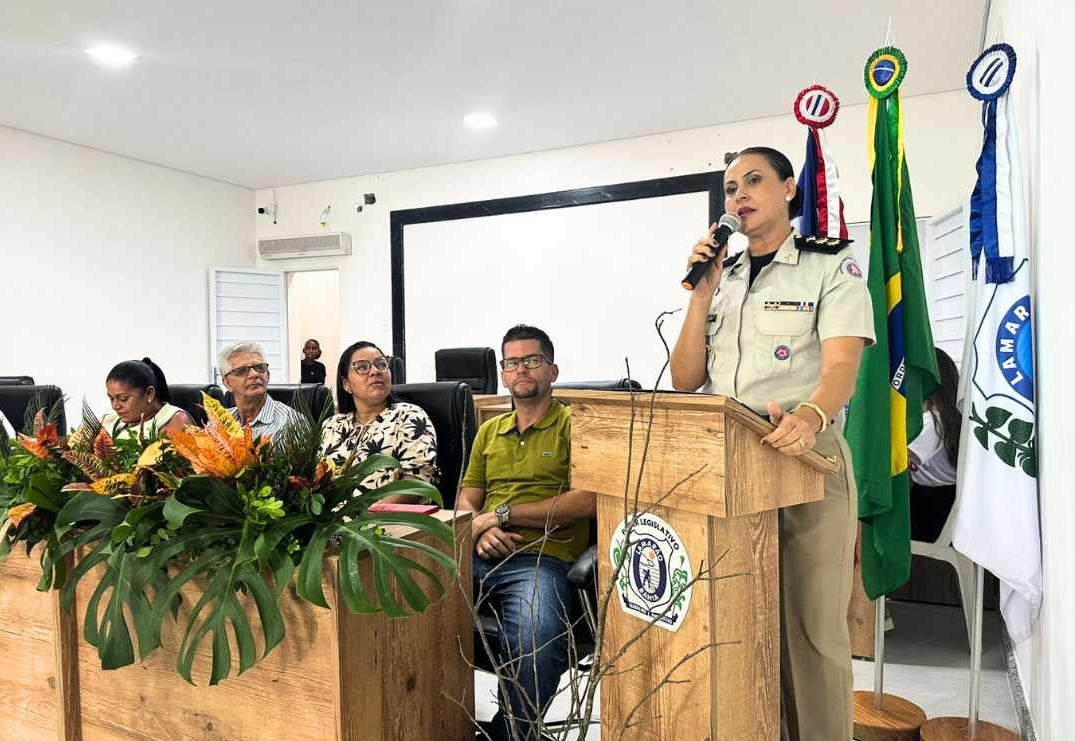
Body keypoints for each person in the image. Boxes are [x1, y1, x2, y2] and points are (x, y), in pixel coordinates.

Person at [670, 147, 874, 741]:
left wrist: (811, 415)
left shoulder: (828, 265)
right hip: (731, 467)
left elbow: (842, 367)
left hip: (804, 455)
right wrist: (700, 294)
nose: (739, 197)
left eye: (753, 181)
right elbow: (686, 379)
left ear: (789, 188)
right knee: (746, 626)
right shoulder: (722, 280)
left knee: (812, 629)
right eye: (731, 189)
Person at [458, 324, 596, 741]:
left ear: (552, 370)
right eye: (512, 362)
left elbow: (584, 502)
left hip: (542, 559)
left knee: (536, 635)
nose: (521, 370)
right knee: (409, 599)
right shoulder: (489, 431)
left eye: (532, 361)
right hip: (480, 554)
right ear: (503, 373)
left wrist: (500, 514)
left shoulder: (575, 426)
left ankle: (510, 735)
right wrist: (479, 531)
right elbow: (466, 501)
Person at [319, 341, 438, 493]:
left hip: (390, 515)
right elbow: (315, 481)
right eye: (362, 367)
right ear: (346, 384)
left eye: (381, 364)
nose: (375, 371)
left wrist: (367, 514)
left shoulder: (409, 417)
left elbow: (415, 484)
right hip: (331, 516)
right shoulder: (331, 425)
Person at [909, 347, 961, 542]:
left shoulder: (931, 422)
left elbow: (895, 458)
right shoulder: (944, 415)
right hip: (942, 496)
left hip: (933, 502)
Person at [218, 341, 302, 442]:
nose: (254, 374)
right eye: (242, 370)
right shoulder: (218, 423)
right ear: (227, 383)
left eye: (260, 368)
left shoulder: (292, 423)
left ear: (268, 375)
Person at [101, 358, 194, 439]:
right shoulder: (109, 421)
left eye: (123, 399)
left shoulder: (175, 421)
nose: (115, 406)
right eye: (111, 399)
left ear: (149, 393)